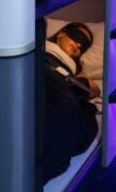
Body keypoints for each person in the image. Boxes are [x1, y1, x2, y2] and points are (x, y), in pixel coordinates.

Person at [43, 22, 100, 183]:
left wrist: (79, 77)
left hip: (63, 86)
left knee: (85, 119)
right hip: (40, 68)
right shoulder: (40, 45)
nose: (79, 45)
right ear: (62, 33)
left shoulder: (73, 68)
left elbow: (94, 89)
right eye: (77, 37)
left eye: (84, 46)